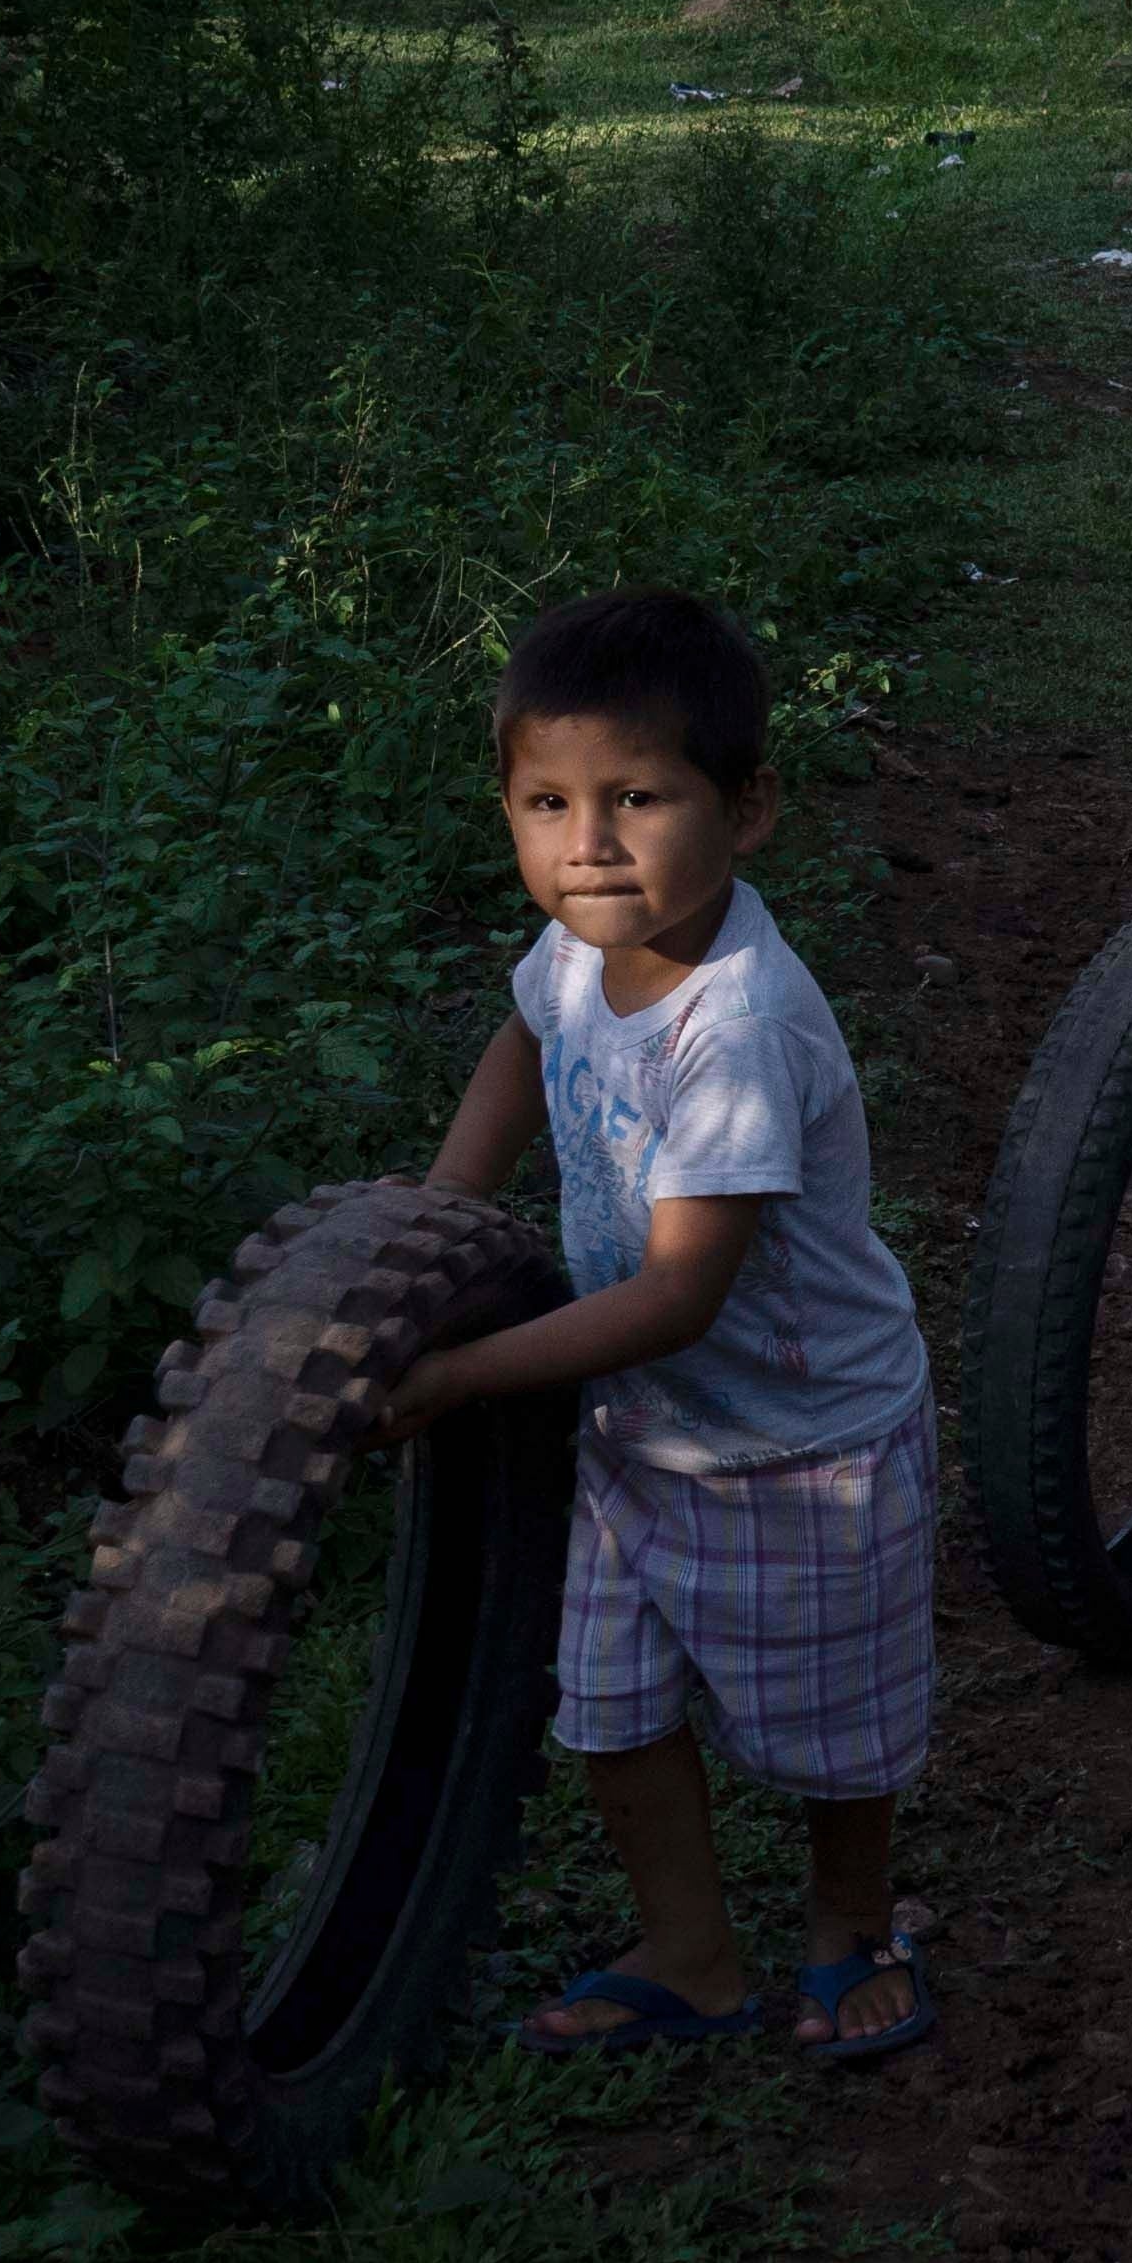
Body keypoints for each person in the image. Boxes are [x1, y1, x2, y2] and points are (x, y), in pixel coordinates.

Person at [374, 591, 938, 2061]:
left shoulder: (737, 1026)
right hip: (644, 1426)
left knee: (833, 1736)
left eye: (637, 798)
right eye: (547, 803)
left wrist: (461, 1373)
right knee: (610, 1713)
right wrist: (445, 1209)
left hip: (797, 1441)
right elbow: (524, 1035)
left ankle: (850, 1923)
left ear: (747, 810)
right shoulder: (577, 948)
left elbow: (683, 1290)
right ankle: (692, 1955)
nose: (589, 845)